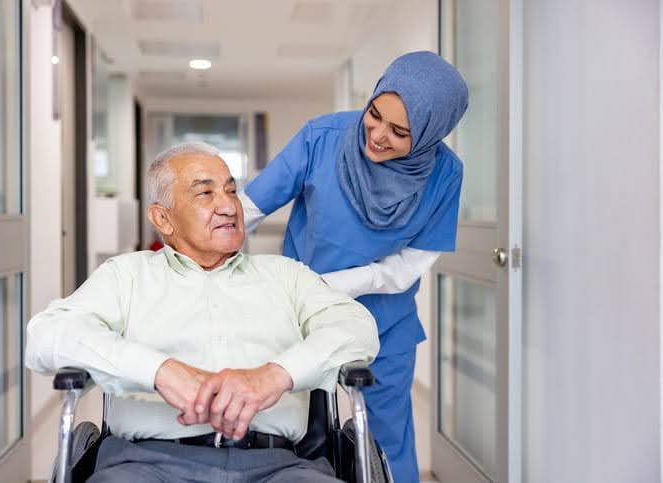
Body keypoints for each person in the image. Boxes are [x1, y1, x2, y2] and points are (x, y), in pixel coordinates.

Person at [25, 142, 379, 483]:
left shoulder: (286, 275)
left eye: (231, 191)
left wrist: (273, 376)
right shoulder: (126, 276)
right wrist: (161, 372)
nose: (229, 206)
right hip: (143, 465)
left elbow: (357, 327)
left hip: (278, 466)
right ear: (162, 218)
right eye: (205, 193)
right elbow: (45, 336)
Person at [240, 51, 468, 482]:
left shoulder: (445, 175)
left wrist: (332, 284)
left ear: (430, 134)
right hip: (299, 314)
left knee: (384, 442)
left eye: (399, 132)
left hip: (384, 320)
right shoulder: (322, 138)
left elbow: (408, 266)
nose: (377, 135)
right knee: (286, 430)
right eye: (374, 114)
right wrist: (196, 251)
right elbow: (249, 207)